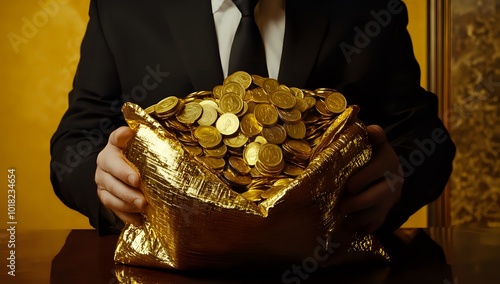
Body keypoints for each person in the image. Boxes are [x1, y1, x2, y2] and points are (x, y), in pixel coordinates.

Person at [50, 0, 456, 235]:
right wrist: (105, 185)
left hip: (325, 261)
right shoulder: (122, 7)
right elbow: (78, 139)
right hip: (171, 261)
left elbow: (424, 137)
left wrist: (397, 177)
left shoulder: (366, 6)